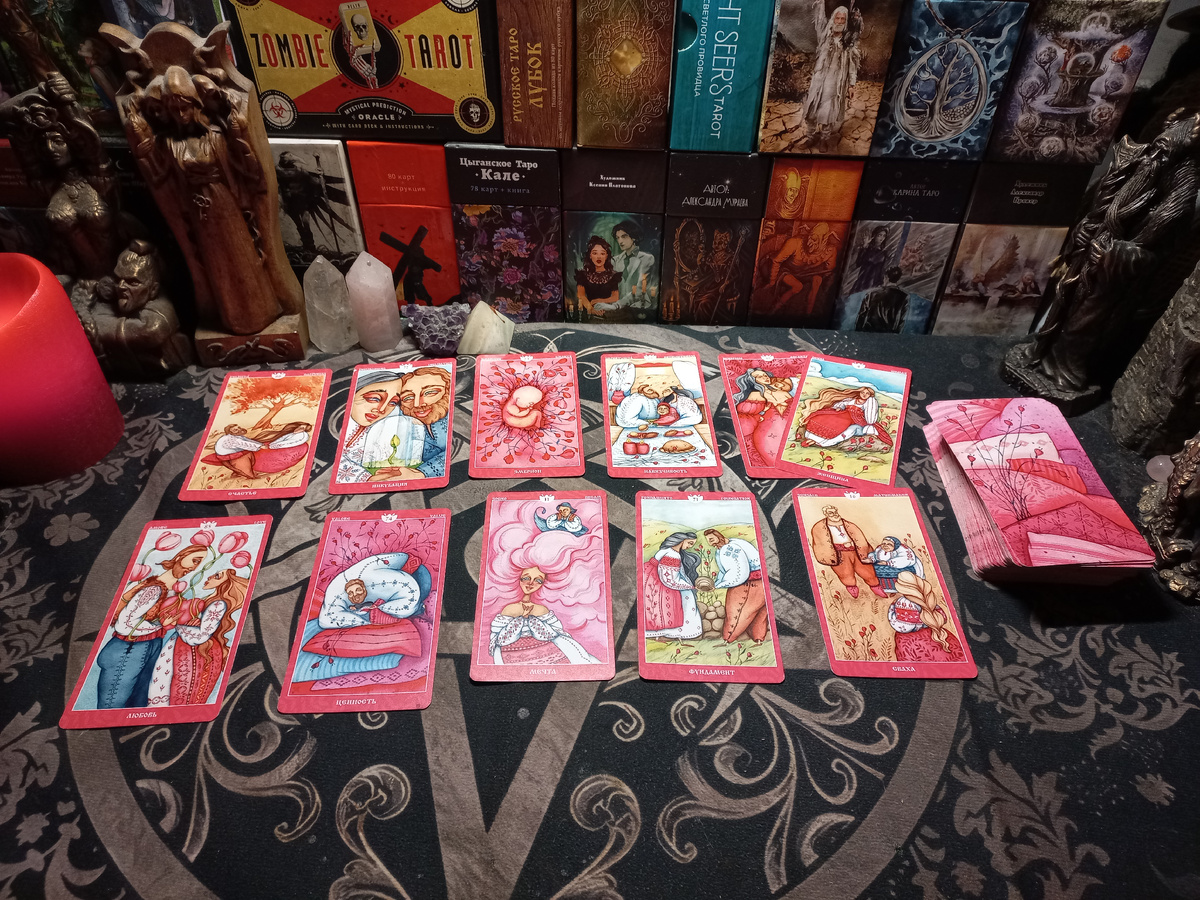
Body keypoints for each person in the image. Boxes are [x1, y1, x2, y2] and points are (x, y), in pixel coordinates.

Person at [94, 543, 207, 709]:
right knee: (112, 705)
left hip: (152, 645)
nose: (194, 567)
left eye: (200, 564)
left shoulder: (174, 591)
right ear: (180, 557)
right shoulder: (154, 589)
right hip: (129, 647)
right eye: (195, 560)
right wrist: (160, 625)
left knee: (137, 704)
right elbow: (125, 623)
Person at [293, 553, 430, 682]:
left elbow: (399, 558)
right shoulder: (350, 585)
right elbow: (326, 619)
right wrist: (365, 617)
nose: (356, 595)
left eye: (358, 591)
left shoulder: (402, 595)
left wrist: (370, 614)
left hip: (405, 590)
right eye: (353, 593)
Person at [145, 568, 248, 707]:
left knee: (174, 692)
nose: (211, 576)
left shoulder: (218, 604)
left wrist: (177, 625)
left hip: (195, 651)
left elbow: (202, 635)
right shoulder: (210, 600)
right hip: (185, 647)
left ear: (226, 584)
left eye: (217, 576)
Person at [489, 566, 600, 665]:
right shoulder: (509, 609)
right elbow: (499, 640)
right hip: (512, 655)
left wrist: (532, 620)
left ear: (543, 584)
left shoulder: (541, 609)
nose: (530, 583)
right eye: (526, 578)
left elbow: (554, 634)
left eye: (538, 580)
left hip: (547, 651)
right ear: (518, 578)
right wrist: (520, 619)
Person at [799, 0, 862, 151]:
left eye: (842, 19)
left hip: (834, 83)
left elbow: (852, 66)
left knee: (828, 111)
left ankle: (824, 139)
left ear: (846, 22)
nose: (839, 21)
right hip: (819, 80)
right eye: (837, 18)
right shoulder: (824, 37)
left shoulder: (848, 43)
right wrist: (821, 4)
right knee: (812, 108)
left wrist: (851, 85)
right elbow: (820, 19)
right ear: (833, 19)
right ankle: (810, 137)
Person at [809, 505, 886, 599]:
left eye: (835, 511)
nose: (834, 514)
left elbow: (860, 538)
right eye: (831, 513)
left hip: (856, 552)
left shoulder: (849, 524)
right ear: (826, 514)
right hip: (838, 555)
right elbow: (820, 543)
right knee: (846, 575)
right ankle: (853, 591)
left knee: (868, 572)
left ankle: (877, 588)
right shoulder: (819, 527)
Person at [704, 529, 767, 643]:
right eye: (709, 541)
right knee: (758, 613)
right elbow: (724, 570)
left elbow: (738, 572)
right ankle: (758, 639)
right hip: (761, 582)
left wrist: (720, 585)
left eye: (712, 539)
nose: (711, 543)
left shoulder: (730, 548)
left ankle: (728, 639)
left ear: (719, 536)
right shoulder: (729, 545)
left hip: (747, 584)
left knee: (737, 612)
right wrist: (717, 583)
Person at [887, 571, 965, 662]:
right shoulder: (927, 597)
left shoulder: (903, 602)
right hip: (936, 632)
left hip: (911, 639)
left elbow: (902, 626)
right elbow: (941, 615)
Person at [642, 532, 705, 640]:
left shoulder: (667, 550)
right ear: (682, 540)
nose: (689, 546)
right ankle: (678, 632)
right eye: (689, 543)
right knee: (681, 601)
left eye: (692, 544)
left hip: (650, 577)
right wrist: (689, 586)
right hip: (661, 584)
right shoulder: (673, 555)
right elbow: (670, 580)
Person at [797, 386, 894, 449]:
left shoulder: (869, 402)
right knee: (821, 417)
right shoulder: (852, 399)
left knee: (841, 424)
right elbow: (842, 404)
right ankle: (811, 438)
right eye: (863, 392)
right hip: (843, 413)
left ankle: (820, 441)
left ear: (870, 395)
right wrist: (839, 407)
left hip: (854, 419)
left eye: (867, 393)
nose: (864, 395)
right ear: (859, 392)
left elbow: (870, 416)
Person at [206, 422, 312, 479]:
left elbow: (247, 441)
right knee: (246, 459)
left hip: (232, 452)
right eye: (235, 429)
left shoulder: (301, 436)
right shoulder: (232, 438)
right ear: (230, 432)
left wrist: (261, 445)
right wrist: (261, 446)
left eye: (238, 427)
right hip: (228, 454)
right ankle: (248, 475)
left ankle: (240, 472)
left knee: (249, 456)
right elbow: (245, 444)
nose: (238, 429)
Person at [610, 220, 656, 310]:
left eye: (624, 236)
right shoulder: (615, 260)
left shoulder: (647, 259)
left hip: (638, 307)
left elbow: (640, 289)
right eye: (618, 238)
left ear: (634, 237)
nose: (620, 241)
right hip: (617, 308)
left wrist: (618, 304)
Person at [575, 235, 621, 318]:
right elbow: (581, 295)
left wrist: (599, 301)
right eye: (595, 253)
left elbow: (615, 297)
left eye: (602, 253)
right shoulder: (582, 274)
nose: (599, 257)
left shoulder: (613, 275)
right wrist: (591, 309)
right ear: (590, 255)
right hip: (588, 312)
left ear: (606, 256)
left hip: (607, 311)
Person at [855, 267, 909, 333]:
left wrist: (858, 332)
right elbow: (902, 320)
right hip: (889, 334)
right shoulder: (904, 296)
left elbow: (862, 315)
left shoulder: (871, 294)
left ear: (886, 277)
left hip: (870, 331)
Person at [850, 226, 890, 293]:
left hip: (875, 282)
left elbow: (882, 269)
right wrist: (864, 247)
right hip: (863, 280)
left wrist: (881, 283)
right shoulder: (867, 249)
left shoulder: (884, 253)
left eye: (884, 236)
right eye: (879, 235)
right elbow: (858, 263)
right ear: (874, 236)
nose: (882, 238)